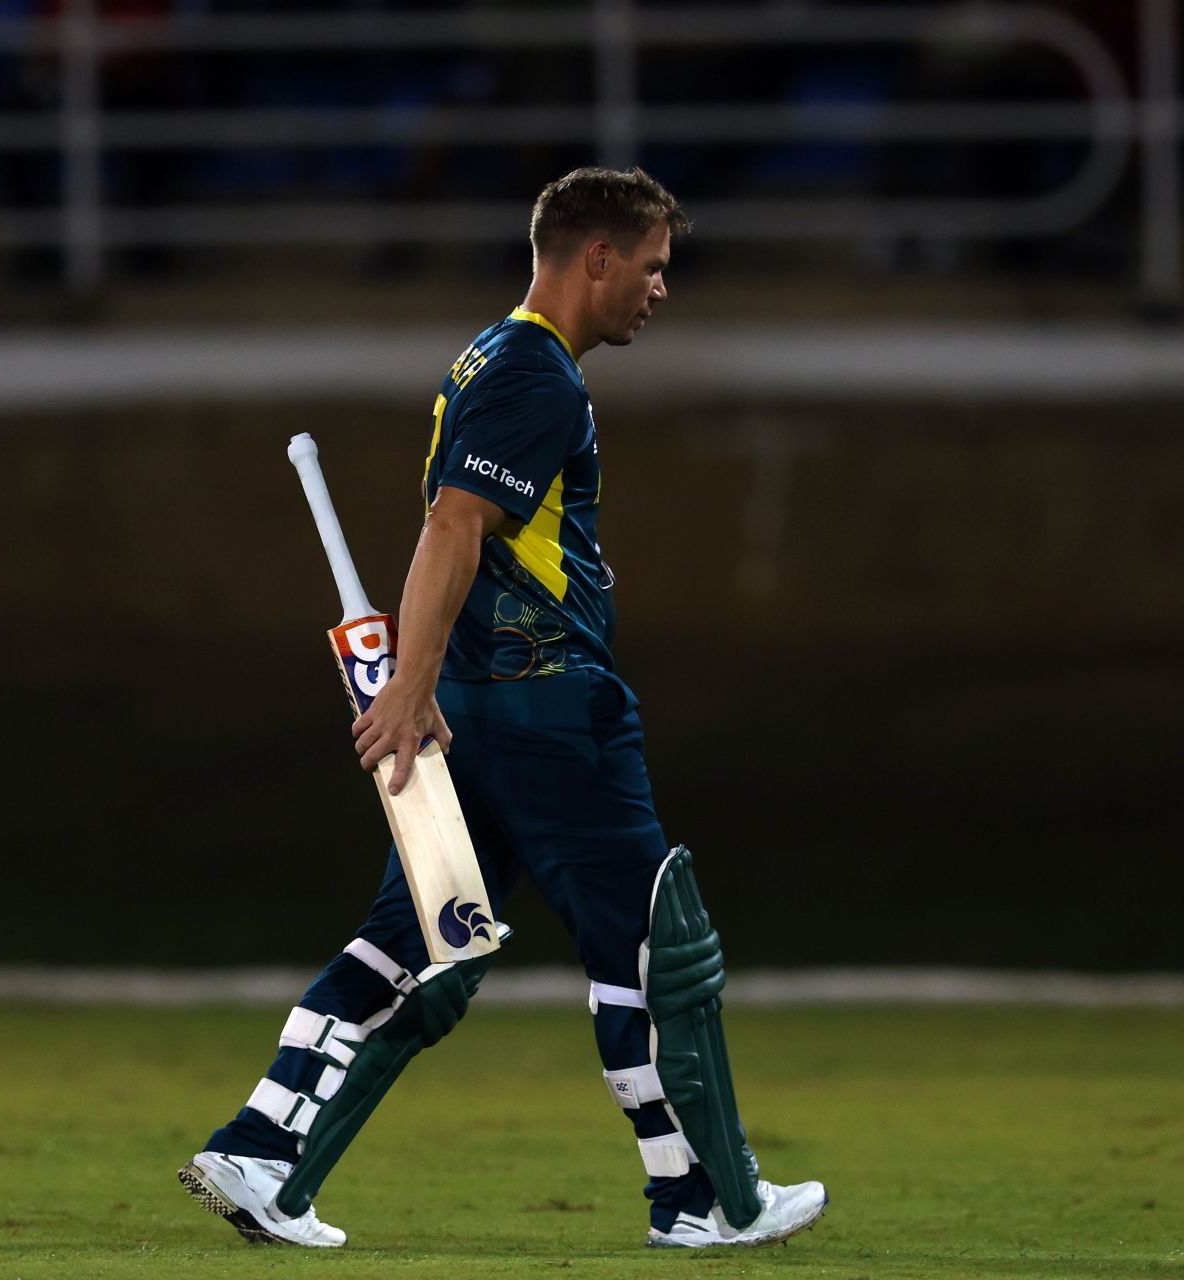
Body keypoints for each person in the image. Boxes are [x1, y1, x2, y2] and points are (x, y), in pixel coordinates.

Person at [177, 167, 827, 1251]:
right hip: (549, 712)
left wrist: (427, 688)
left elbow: (453, 530)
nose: (661, 290)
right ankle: (706, 1195)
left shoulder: (488, 355)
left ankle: (265, 1152)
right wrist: (406, 686)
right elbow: (454, 527)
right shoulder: (537, 378)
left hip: (475, 716)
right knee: (651, 952)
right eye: (654, 267)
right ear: (597, 257)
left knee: (419, 942)